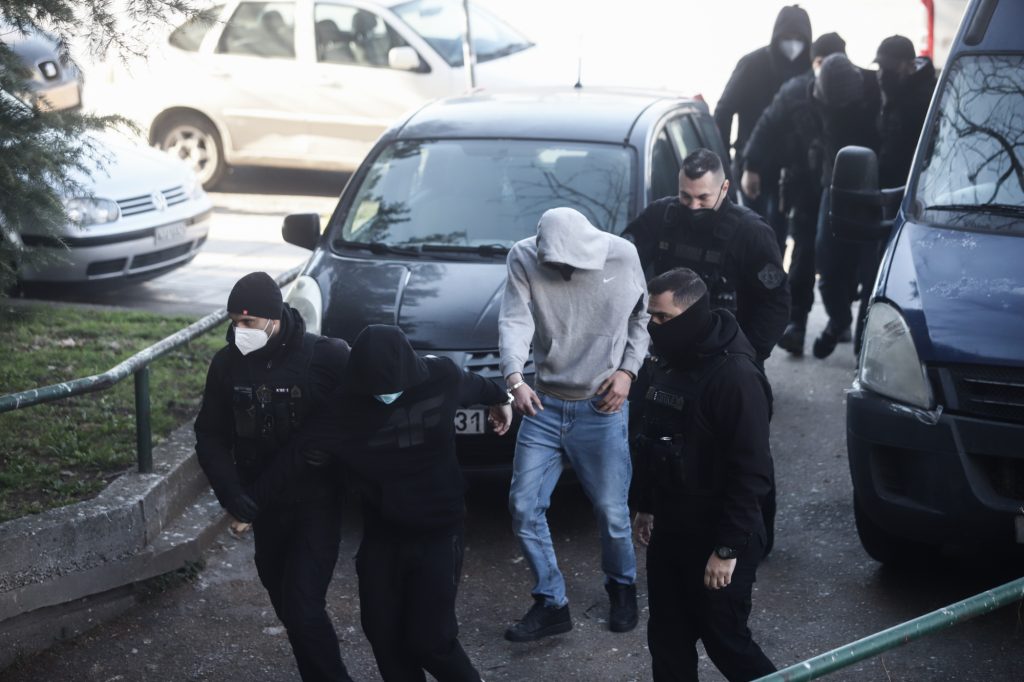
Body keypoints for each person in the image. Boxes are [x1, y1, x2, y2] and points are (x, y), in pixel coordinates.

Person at [294, 324, 513, 682]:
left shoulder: (441, 376)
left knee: (432, 640)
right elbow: (300, 451)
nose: (387, 395)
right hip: (384, 537)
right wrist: (246, 499)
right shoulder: (343, 407)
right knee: (384, 635)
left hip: (439, 533)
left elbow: (480, 385)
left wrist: (501, 401)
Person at [193, 271, 354, 682]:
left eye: (248, 321)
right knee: (286, 603)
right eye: (234, 321)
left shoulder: (325, 356)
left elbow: (369, 400)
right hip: (262, 505)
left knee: (302, 608)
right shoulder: (226, 365)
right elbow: (210, 434)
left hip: (315, 504)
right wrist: (231, 494)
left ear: (274, 317)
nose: (239, 330)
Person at [499, 206, 650, 642]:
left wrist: (628, 372)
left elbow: (641, 319)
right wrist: (514, 379)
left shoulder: (622, 255)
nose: (562, 271)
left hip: (602, 407)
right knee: (523, 505)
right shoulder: (523, 256)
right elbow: (515, 319)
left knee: (611, 511)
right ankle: (551, 601)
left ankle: (622, 586)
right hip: (543, 404)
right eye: (555, 264)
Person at [632, 267, 776, 682]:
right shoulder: (668, 361)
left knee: (726, 641)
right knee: (668, 640)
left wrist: (727, 550)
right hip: (672, 527)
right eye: (651, 316)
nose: (653, 325)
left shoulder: (736, 377)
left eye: (663, 317)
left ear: (692, 315)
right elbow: (653, 438)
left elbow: (751, 473)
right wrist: (645, 505)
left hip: (718, 534)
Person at [623, 148, 789, 367]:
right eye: (685, 196)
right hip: (664, 351)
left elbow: (775, 302)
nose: (693, 206)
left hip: (725, 356)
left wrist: (748, 356)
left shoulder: (751, 232)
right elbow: (622, 268)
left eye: (703, 198)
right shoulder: (659, 216)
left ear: (724, 188)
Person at [742, 32, 849, 356]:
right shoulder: (795, 91)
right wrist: (751, 166)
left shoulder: (854, 88)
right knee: (805, 251)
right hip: (805, 184)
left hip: (846, 186)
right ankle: (797, 323)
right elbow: (767, 125)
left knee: (840, 256)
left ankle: (841, 318)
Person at [714, 4, 813, 249]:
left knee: (780, 236)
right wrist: (723, 162)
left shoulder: (809, 69)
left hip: (791, 171)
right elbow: (724, 110)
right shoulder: (753, 64)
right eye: (787, 37)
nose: (793, 44)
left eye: (799, 38)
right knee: (751, 234)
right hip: (752, 167)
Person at [809, 53, 882, 359]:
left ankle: (864, 346)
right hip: (834, 186)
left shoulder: (875, 90)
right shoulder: (813, 96)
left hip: (874, 188)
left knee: (871, 271)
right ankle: (839, 320)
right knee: (825, 263)